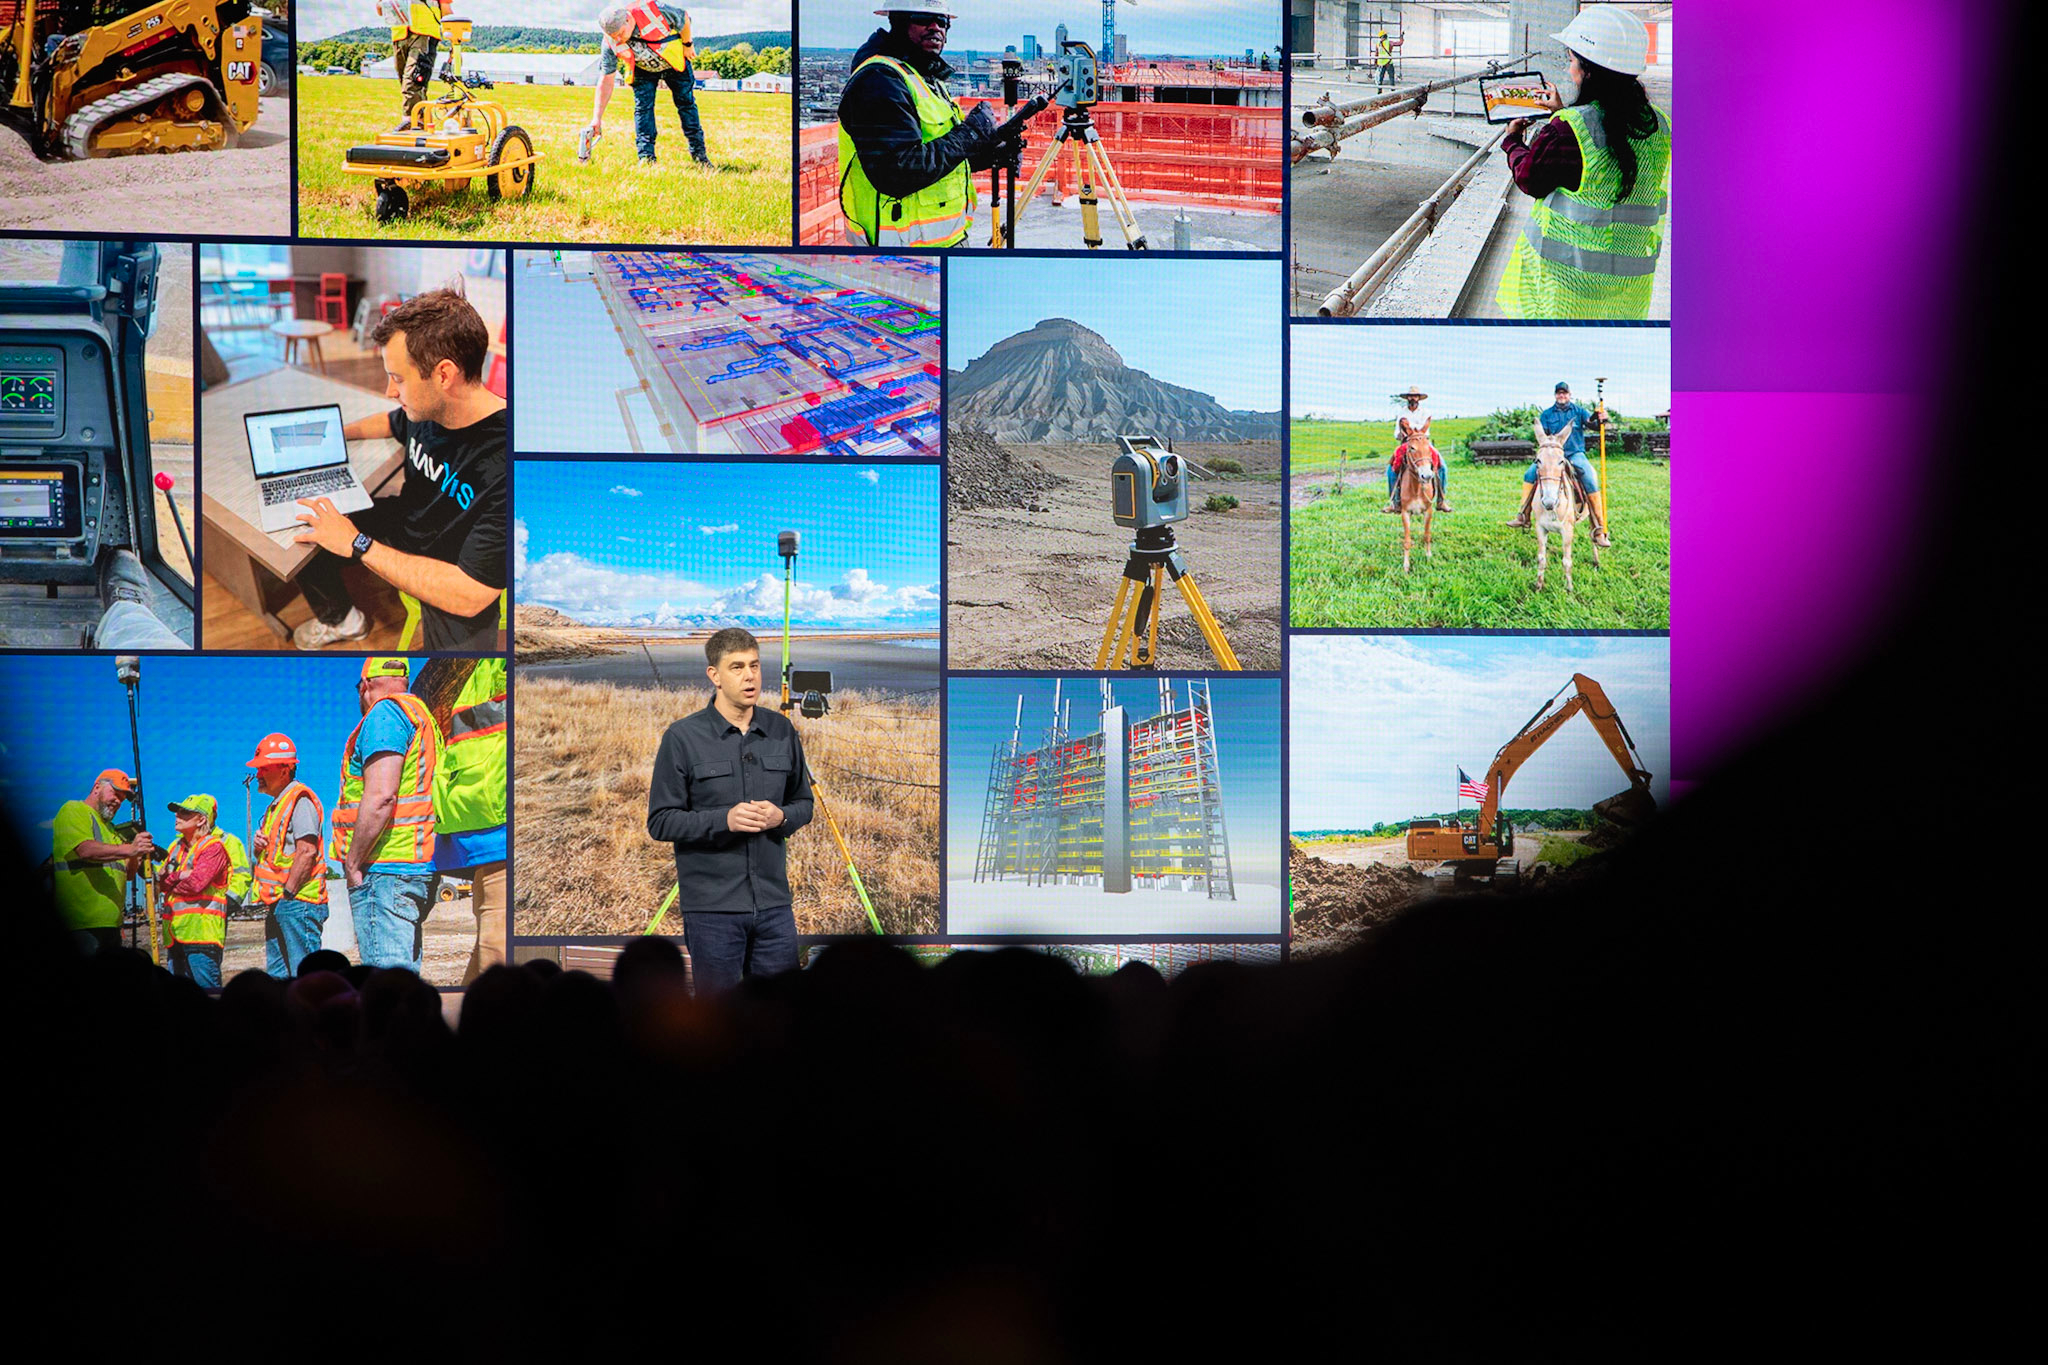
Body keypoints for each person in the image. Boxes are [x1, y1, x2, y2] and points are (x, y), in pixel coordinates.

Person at [290, 288, 507, 653]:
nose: (390, 391)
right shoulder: (428, 409)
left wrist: (357, 544)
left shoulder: (506, 467)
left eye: (398, 378)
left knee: (457, 670)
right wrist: (333, 437)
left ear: (444, 375)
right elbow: (389, 423)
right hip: (407, 523)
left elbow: (471, 595)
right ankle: (343, 619)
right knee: (305, 530)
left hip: (454, 572)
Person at [646, 628, 814, 994]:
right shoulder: (682, 738)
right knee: (718, 1022)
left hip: (774, 907)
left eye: (754, 665)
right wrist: (724, 820)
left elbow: (804, 804)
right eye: (736, 667)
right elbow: (660, 821)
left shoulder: (781, 730)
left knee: (780, 1014)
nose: (750, 675)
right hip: (712, 911)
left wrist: (781, 818)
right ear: (714, 675)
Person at [1495, 6, 1670, 320]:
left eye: (1572, 60)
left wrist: (1512, 142)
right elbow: (1606, 143)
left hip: (1564, 293)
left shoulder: (1568, 131)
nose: (1570, 68)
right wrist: (1561, 118)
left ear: (1588, 70)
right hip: (1625, 294)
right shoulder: (1661, 125)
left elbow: (1531, 178)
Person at [837, 0, 1026, 248]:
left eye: (943, 21)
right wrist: (970, 134)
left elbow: (936, 156)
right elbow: (898, 172)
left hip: (944, 240)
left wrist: (988, 155)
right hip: (899, 254)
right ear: (898, 21)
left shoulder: (922, 77)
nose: (936, 27)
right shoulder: (879, 80)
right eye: (923, 18)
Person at [332, 657, 443, 975]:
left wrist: (353, 863)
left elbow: (381, 796)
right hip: (416, 864)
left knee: (387, 992)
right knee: (403, 984)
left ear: (365, 684)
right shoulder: (422, 716)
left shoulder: (385, 714)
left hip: (385, 869)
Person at [432, 657, 507, 986]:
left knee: (492, 942)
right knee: (493, 942)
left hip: (485, 824)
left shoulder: (478, 673)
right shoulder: (480, 671)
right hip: (488, 828)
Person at [586, 3, 710, 167]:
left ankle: (700, 156)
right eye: (613, 35)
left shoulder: (655, 11)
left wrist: (688, 44)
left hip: (674, 63)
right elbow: (606, 79)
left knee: (686, 104)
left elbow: (684, 17)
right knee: (643, 108)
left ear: (628, 20)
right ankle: (646, 158)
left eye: (620, 33)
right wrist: (597, 118)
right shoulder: (610, 42)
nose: (618, 39)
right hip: (643, 69)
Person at [248, 732, 329, 980]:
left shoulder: (299, 799)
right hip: (283, 903)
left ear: (285, 769)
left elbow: (307, 851)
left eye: (264, 768)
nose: (258, 775)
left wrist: (289, 892)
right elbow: (278, 856)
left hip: (298, 902)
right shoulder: (277, 805)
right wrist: (259, 847)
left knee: (306, 980)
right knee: (280, 978)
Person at [52, 769, 153, 957]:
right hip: (81, 924)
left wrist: (135, 854)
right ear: (97, 787)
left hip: (112, 925)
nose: (118, 801)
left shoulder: (111, 829)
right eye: (115, 794)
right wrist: (130, 849)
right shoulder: (74, 810)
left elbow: (129, 875)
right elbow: (85, 850)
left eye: (122, 799)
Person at [1509, 381, 1609, 547]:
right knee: (1529, 474)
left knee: (1589, 476)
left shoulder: (1579, 411)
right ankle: (1523, 515)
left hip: (1574, 453)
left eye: (1565, 393)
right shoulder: (1547, 414)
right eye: (1559, 393)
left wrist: (1601, 419)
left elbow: (1594, 425)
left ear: (1570, 395)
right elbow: (1543, 436)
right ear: (1555, 395)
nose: (1562, 396)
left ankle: (1599, 527)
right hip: (1553, 455)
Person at [158, 794, 231, 988]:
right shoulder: (174, 847)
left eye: (185, 812)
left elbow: (196, 883)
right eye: (177, 812)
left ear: (201, 819)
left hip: (202, 935)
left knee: (207, 995)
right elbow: (160, 884)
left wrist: (172, 878)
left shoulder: (212, 847)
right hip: (175, 935)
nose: (178, 816)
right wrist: (181, 876)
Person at [382, 0, 453, 129]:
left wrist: (455, 38)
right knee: (415, 88)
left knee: (412, 83)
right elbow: (380, 9)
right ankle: (425, 129)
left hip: (425, 33)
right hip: (399, 35)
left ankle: (410, 126)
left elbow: (446, 11)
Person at [1382, 385, 1452, 514]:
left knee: (1442, 467)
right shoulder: (1402, 413)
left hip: (1423, 442)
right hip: (1407, 443)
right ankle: (1395, 502)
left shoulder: (1426, 412)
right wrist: (1402, 433)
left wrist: (1411, 428)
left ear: (1419, 398)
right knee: (1391, 469)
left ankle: (1441, 501)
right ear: (1407, 398)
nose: (1412, 398)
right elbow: (1397, 433)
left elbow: (1425, 430)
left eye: (1415, 396)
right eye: (1410, 396)